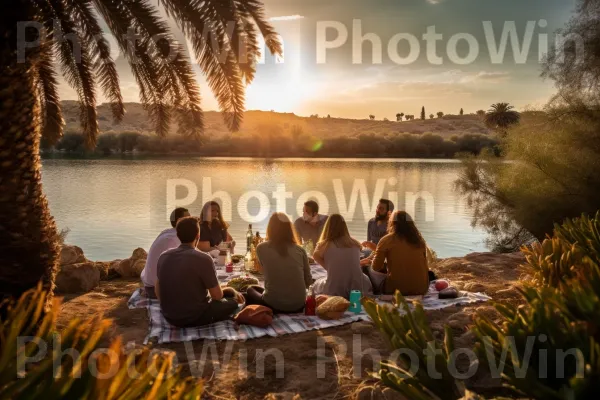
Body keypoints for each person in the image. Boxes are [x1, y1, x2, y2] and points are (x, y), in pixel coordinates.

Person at [155, 216, 244, 328]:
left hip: (169, 316)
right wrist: (228, 292)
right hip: (194, 317)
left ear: (178, 235)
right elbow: (217, 297)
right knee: (233, 302)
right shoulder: (203, 258)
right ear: (198, 235)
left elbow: (157, 288)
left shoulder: (163, 256)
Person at [245, 213, 312, 313]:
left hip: (273, 305)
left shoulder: (261, 248)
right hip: (299, 305)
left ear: (270, 228)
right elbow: (308, 281)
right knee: (262, 289)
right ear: (289, 229)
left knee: (250, 289)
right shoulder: (300, 250)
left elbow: (265, 273)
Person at [367, 211, 429, 296]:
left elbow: (376, 267)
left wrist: (371, 260)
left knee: (368, 269)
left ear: (392, 223)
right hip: (422, 289)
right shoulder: (419, 240)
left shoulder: (387, 240)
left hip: (396, 291)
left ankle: (371, 293)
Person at [312, 214, 372, 298]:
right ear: (344, 226)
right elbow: (349, 263)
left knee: (315, 285)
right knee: (364, 278)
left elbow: (317, 257)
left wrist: (332, 268)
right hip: (358, 288)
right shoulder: (355, 244)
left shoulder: (324, 245)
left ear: (328, 227)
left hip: (334, 289)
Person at [140, 207, 190, 299]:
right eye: (188, 218)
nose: (191, 220)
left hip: (148, 282)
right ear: (179, 221)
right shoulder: (176, 238)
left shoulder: (167, 232)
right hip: (156, 290)